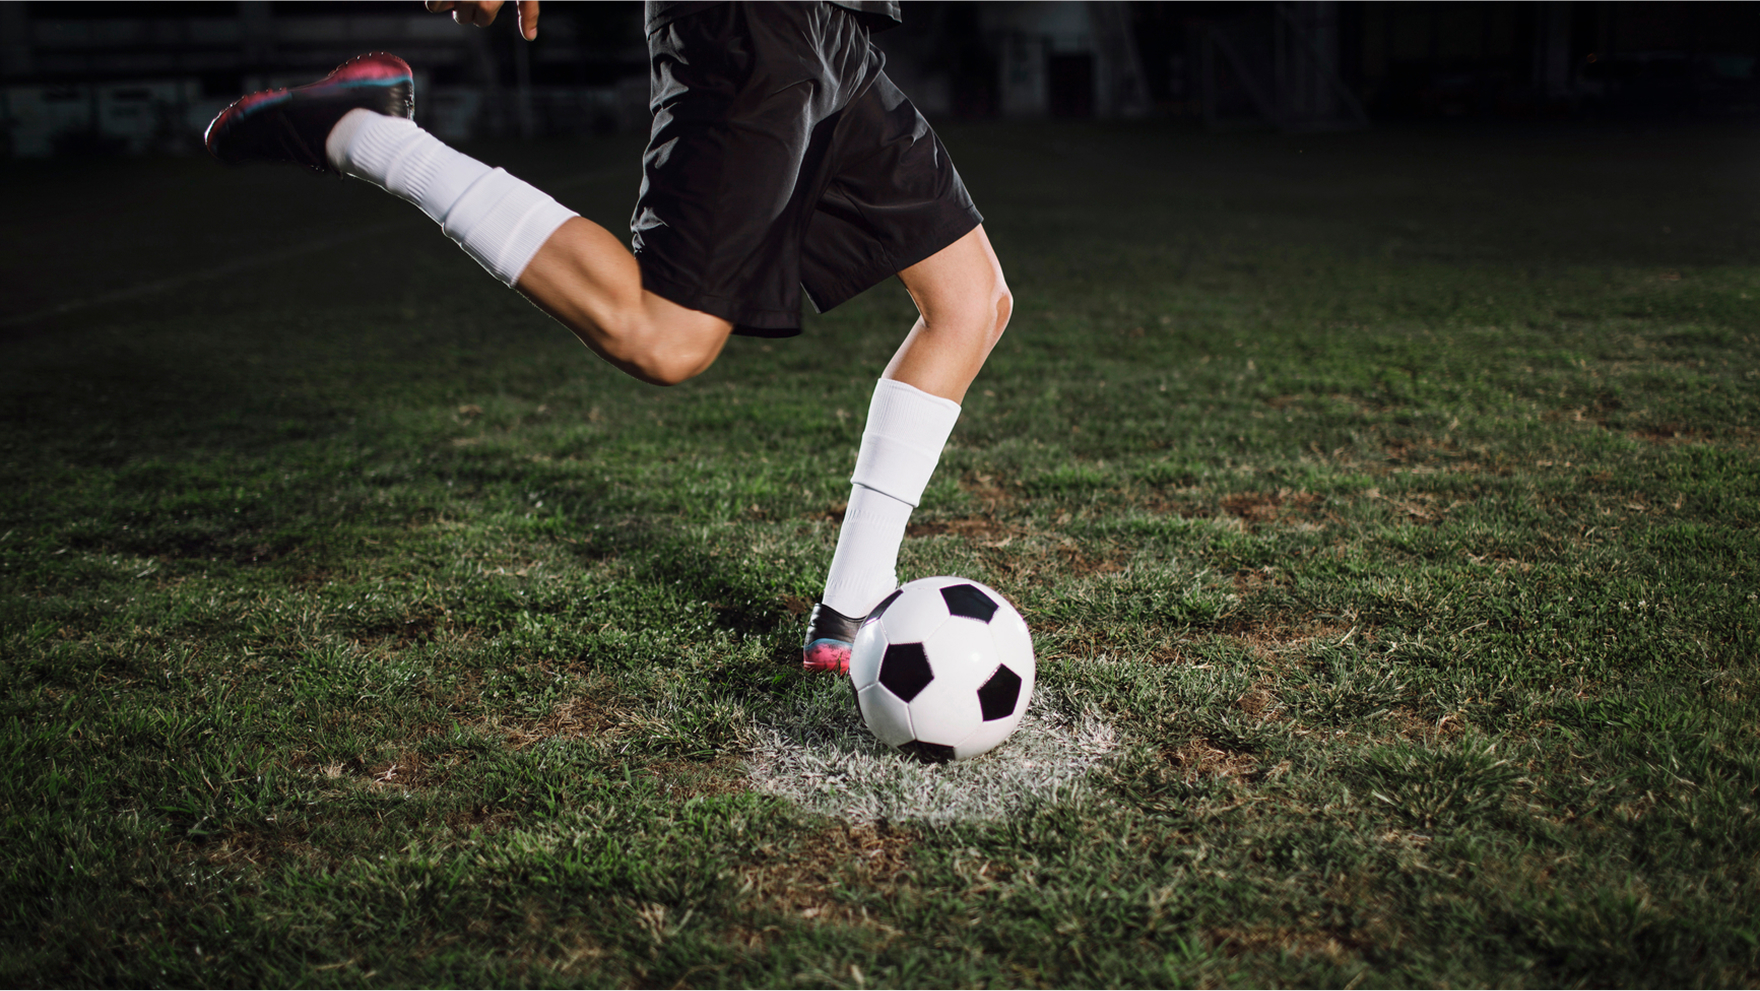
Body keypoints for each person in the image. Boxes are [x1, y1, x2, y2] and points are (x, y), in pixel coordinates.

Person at [204, 0, 1011, 674]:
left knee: (971, 302)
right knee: (663, 336)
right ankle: (361, 132)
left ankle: (851, 604)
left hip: (835, 26)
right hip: (753, 18)